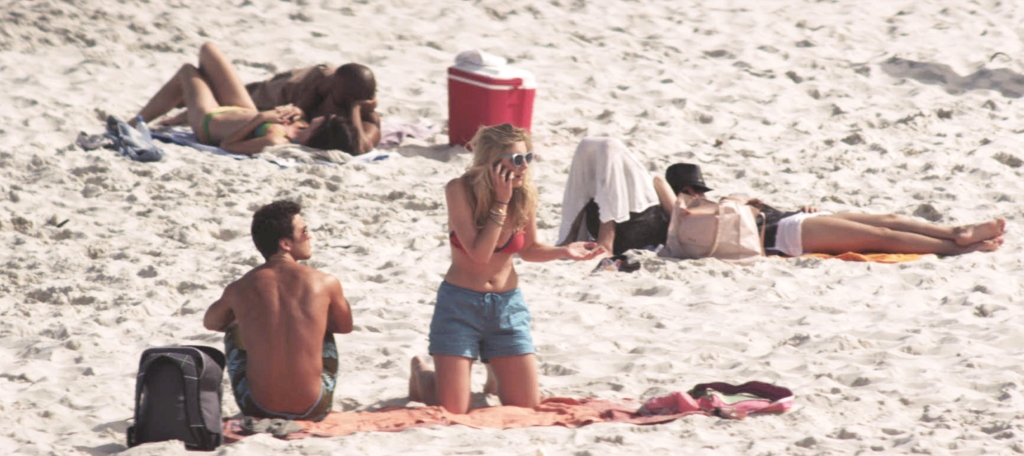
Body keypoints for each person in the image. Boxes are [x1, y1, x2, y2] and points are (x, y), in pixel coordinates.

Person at [408, 124, 607, 414]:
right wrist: (501, 203)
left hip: (506, 308)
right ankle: (423, 376)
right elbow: (479, 255)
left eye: (528, 157)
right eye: (516, 159)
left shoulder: (524, 194)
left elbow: (529, 249)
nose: (524, 166)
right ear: (491, 162)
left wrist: (564, 251)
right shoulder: (459, 190)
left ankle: (495, 370)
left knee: (527, 406)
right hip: (459, 307)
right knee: (454, 410)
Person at [203, 200, 353, 421]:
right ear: (285, 243)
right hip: (314, 407)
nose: (309, 236)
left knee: (234, 328)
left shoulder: (240, 287)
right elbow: (345, 326)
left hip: (256, 407)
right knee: (322, 328)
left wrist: (253, 321)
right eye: (304, 232)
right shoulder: (325, 282)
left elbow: (211, 322)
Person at [665, 163, 1006, 256]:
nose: (698, 194)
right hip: (785, 235)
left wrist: (798, 208)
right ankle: (955, 247)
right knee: (881, 237)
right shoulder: (688, 223)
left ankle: (955, 232)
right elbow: (658, 185)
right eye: (692, 190)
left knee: (889, 220)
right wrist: (679, 200)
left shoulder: (718, 206)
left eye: (700, 189)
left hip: (794, 220)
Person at [133, 42, 373, 155]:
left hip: (209, 121)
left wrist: (260, 118)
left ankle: (135, 122)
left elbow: (228, 146)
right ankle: (178, 110)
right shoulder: (302, 126)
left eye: (327, 119)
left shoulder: (278, 142)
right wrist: (296, 110)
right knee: (208, 50)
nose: (325, 116)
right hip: (242, 109)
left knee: (188, 71)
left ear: (322, 130)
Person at [556, 137, 677, 256]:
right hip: (614, 238)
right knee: (591, 164)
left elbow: (677, 216)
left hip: (643, 236)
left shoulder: (653, 182)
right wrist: (571, 236)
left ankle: (605, 241)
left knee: (609, 167)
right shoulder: (595, 183)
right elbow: (577, 198)